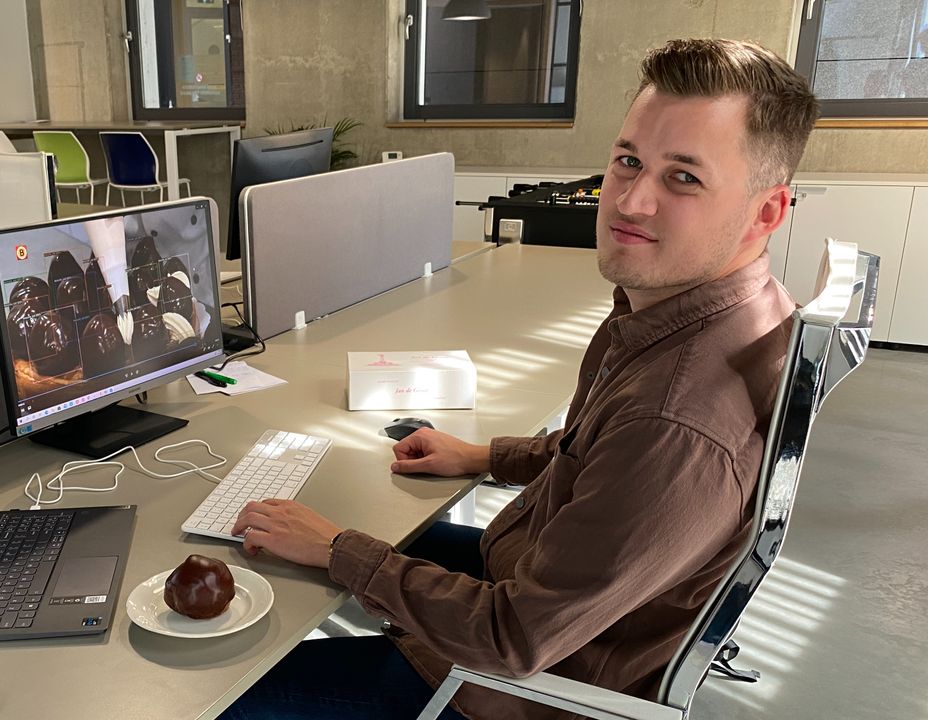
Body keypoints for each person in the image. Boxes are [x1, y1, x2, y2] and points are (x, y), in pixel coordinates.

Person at [223, 38, 819, 720]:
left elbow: (512, 638)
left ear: (767, 211)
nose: (631, 201)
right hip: (540, 583)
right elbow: (605, 456)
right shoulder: (695, 314)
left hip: (512, 687)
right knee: (312, 536)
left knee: (217, 691)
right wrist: (483, 456)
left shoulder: (680, 414)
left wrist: (338, 551)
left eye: (683, 177)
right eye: (627, 162)